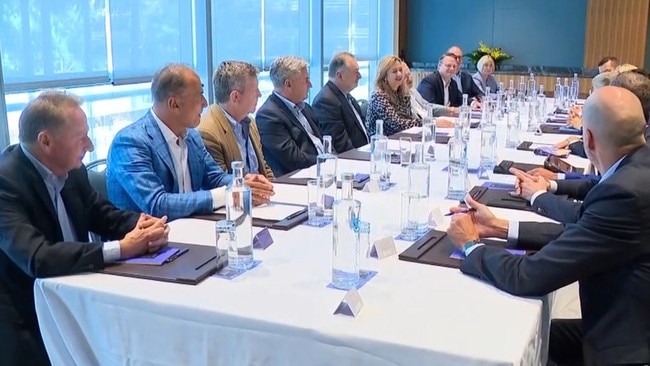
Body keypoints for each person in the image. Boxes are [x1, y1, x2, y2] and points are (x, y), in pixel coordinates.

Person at [447, 86, 650, 366]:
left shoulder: (624, 193)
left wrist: (471, 246)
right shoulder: (636, 169)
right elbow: (585, 232)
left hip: (626, 347)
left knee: (508, 341)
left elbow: (529, 276)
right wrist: (499, 227)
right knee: (535, 336)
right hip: (630, 320)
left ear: (588, 139)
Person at [0, 91, 170, 366]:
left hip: (77, 295)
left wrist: (141, 224)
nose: (90, 145)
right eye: (81, 137)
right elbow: (38, 257)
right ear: (46, 141)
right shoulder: (6, 183)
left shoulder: (73, 170)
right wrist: (121, 249)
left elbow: (100, 214)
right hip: (26, 316)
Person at [107, 64, 274, 221]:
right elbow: (157, 204)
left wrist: (241, 182)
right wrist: (228, 193)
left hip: (190, 229)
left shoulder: (191, 136)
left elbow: (215, 177)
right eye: (199, 96)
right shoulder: (130, 142)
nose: (205, 102)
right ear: (174, 104)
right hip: (148, 244)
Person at [197, 61, 274, 179]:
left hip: (262, 194)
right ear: (235, 97)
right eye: (255, 90)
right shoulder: (208, 133)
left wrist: (274, 188)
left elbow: (263, 168)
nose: (259, 94)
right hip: (241, 195)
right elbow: (221, 183)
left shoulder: (250, 122)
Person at [256, 56, 325, 177]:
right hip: (297, 179)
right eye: (306, 80)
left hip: (322, 171)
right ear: (288, 84)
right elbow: (294, 160)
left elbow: (325, 141)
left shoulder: (306, 108)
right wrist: (327, 161)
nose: (310, 85)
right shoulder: (268, 116)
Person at [312, 52, 368, 153]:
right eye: (356, 72)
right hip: (351, 161)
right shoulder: (326, 101)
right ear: (340, 75)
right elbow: (340, 145)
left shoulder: (346, 96)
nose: (360, 76)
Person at [365, 56, 420, 136]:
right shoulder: (378, 96)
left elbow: (408, 120)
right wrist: (428, 122)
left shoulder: (403, 93)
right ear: (384, 76)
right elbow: (397, 124)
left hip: (401, 138)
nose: (399, 74)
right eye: (394, 71)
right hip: (381, 143)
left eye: (400, 70)